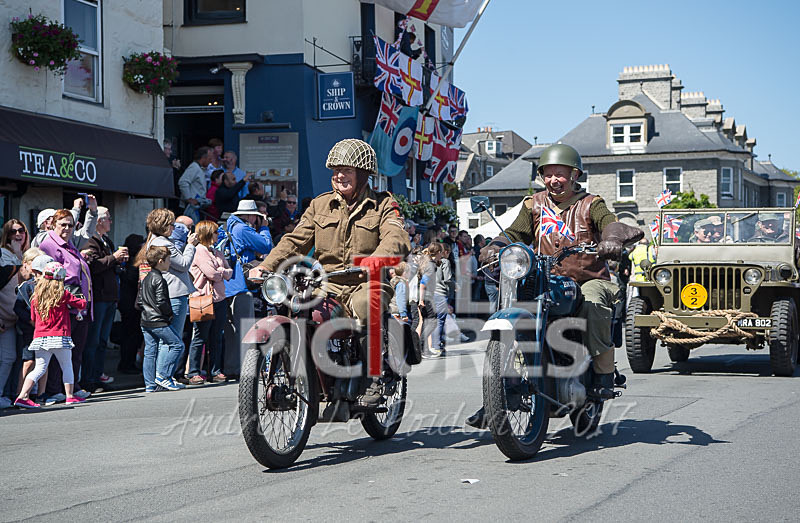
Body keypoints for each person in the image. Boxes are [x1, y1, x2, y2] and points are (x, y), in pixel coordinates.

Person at [467, 143, 642, 428]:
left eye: (559, 174)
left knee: (593, 303)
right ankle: (498, 394)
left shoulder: (591, 203)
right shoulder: (533, 204)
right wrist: (495, 246)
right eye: (547, 175)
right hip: (545, 278)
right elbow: (514, 233)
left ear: (574, 175)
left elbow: (609, 223)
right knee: (513, 302)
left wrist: (611, 239)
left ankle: (602, 377)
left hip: (588, 278)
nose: (553, 180)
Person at [251, 139, 410, 404]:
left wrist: (377, 259)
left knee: (365, 305)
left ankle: (371, 378)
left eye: (347, 170)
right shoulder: (320, 205)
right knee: (299, 306)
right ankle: (311, 375)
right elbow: (295, 241)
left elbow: (396, 236)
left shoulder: (383, 204)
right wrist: (267, 265)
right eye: (336, 170)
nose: (339, 176)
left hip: (366, 281)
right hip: (327, 283)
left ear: (363, 174)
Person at [136, 208, 198, 387]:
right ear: (163, 225)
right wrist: (191, 245)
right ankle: (163, 377)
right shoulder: (164, 243)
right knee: (172, 340)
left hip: (165, 295)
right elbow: (184, 264)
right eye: (171, 224)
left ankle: (152, 383)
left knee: (153, 346)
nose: (173, 228)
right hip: (174, 294)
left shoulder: (154, 241)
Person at [14, 261, 88, 408]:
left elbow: (33, 318)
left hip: (40, 338)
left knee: (39, 368)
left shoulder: (36, 297)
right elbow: (81, 304)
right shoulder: (62, 294)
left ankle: (22, 396)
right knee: (66, 365)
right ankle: (70, 396)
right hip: (60, 336)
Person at [38, 209, 93, 403]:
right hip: (63, 307)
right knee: (58, 352)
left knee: (76, 351)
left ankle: (72, 386)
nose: (67, 228)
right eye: (63, 224)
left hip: (79, 305)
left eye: (71, 225)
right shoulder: (48, 245)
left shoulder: (70, 245)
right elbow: (50, 278)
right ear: (53, 225)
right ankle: (54, 390)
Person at [222, 200, 274, 378]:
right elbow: (266, 245)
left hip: (228, 285)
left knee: (232, 331)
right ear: (251, 216)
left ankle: (232, 368)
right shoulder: (242, 229)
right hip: (241, 286)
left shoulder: (228, 226)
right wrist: (264, 227)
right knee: (246, 330)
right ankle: (245, 370)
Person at [82, 207, 128, 392]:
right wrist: (113, 257)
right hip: (99, 296)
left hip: (109, 295)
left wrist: (119, 261)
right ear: (99, 221)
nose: (111, 221)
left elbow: (108, 264)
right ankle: (88, 379)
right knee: (93, 340)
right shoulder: (89, 241)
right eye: (108, 218)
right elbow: (93, 266)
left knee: (102, 340)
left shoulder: (105, 240)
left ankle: (97, 375)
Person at [187, 221, 233, 385]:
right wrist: (222, 271)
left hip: (219, 298)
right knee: (200, 337)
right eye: (215, 232)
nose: (218, 235)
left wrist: (221, 271)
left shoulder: (217, 251)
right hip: (203, 299)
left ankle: (216, 371)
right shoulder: (199, 251)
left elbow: (229, 272)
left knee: (217, 336)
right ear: (207, 233)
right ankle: (193, 372)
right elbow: (212, 274)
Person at [137, 246, 185, 392]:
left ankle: (150, 385)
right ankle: (163, 376)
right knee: (177, 345)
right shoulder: (159, 279)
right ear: (160, 261)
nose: (170, 262)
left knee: (150, 351)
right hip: (158, 321)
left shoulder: (146, 278)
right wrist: (169, 314)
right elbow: (161, 302)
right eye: (168, 260)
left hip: (145, 320)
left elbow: (139, 302)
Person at [14, 251, 52, 402]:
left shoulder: (50, 285)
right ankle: (20, 393)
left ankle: (41, 393)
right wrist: (30, 320)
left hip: (45, 328)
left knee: (44, 361)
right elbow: (18, 308)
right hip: (30, 329)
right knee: (29, 361)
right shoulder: (26, 286)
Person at [0, 231, 22, 408]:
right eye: (13, 232)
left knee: (9, 357)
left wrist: (18, 252)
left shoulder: (11, 267)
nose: (18, 234)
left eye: (21, 231)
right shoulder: (7, 268)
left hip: (9, 321)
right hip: (2, 320)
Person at [117, 234, 144, 375]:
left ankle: (127, 362)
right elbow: (133, 279)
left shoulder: (125, 262)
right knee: (131, 334)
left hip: (126, 301)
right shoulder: (134, 262)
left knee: (129, 334)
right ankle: (127, 364)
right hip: (131, 303)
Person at [418, 242, 444, 358]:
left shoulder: (429, 263)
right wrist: (421, 300)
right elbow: (423, 283)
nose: (442, 255)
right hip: (427, 296)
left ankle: (423, 349)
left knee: (427, 321)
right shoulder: (430, 265)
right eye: (441, 252)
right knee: (432, 321)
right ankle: (422, 348)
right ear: (438, 253)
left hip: (427, 295)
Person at [179, 146, 212, 222]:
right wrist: (189, 198)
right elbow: (183, 182)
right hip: (191, 207)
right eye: (209, 159)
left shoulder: (199, 168)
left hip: (197, 205)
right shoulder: (194, 167)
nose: (210, 162)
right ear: (203, 158)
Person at [433, 242, 455, 355]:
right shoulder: (445, 262)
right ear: (444, 252)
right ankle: (437, 345)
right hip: (441, 292)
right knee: (440, 320)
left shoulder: (430, 261)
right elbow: (447, 278)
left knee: (433, 320)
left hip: (430, 292)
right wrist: (454, 287)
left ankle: (432, 344)